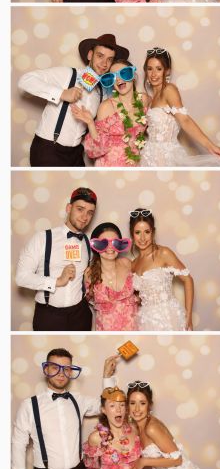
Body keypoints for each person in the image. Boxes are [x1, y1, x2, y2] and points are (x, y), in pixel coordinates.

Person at [11, 349, 118, 469]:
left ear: (71, 372)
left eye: (66, 369)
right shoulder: (29, 405)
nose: (61, 373)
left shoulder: (78, 400)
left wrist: (107, 377)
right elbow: (18, 445)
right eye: (55, 367)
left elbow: (108, 405)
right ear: (46, 369)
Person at [18, 33, 129, 167]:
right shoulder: (68, 74)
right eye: (100, 56)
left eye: (109, 59)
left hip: (76, 154)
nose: (104, 64)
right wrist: (62, 93)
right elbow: (25, 80)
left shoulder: (103, 92)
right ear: (90, 55)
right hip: (49, 150)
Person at [15, 187, 97, 331]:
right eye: (80, 209)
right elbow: (21, 277)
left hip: (80, 315)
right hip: (49, 316)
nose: (85, 217)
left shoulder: (87, 242)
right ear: (68, 208)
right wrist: (57, 281)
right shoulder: (42, 238)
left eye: (90, 212)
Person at [139, 48, 220, 166]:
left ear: (167, 71)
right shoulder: (150, 99)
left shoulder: (169, 90)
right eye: (150, 69)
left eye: (159, 69)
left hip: (165, 156)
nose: (153, 74)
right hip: (149, 155)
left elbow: (185, 120)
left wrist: (211, 146)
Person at [127, 381, 216, 469]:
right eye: (133, 403)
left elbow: (177, 459)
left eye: (142, 403)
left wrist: (144, 461)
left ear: (149, 405)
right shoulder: (137, 427)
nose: (137, 408)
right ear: (127, 405)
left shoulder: (151, 428)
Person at [72, 60, 149, 166]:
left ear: (133, 75)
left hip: (134, 164)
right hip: (110, 165)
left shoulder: (143, 99)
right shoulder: (106, 107)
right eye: (113, 77)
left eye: (124, 73)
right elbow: (96, 150)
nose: (118, 79)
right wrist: (90, 123)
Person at [130, 209, 194, 331]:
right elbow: (140, 295)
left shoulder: (164, 253)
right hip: (145, 321)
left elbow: (188, 280)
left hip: (168, 317)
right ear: (132, 234)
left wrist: (189, 316)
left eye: (147, 232)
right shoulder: (133, 264)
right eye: (137, 232)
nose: (142, 238)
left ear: (153, 232)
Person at [83, 387, 147, 469]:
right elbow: (91, 467)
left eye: (122, 405)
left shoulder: (134, 429)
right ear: (103, 410)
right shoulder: (96, 438)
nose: (118, 410)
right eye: (112, 405)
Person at [85, 222, 138, 331]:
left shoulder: (127, 263)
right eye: (103, 243)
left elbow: (142, 291)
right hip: (106, 335)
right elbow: (85, 302)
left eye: (115, 243)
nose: (110, 247)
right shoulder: (89, 273)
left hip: (133, 332)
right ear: (95, 246)